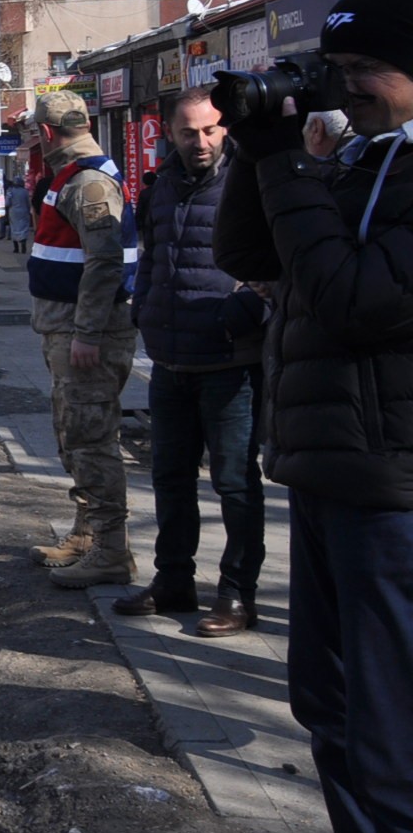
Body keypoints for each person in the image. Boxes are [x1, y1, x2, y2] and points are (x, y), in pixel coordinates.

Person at [214, 0, 413, 833]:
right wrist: (262, 154)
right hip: (332, 476)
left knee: (391, 741)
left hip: (395, 496)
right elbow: (251, 255)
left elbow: (352, 301)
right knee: (328, 715)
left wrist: (290, 168)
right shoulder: (368, 161)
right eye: (335, 69)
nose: (347, 87)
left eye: (367, 68)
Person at [112, 89, 267, 636]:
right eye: (187, 132)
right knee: (170, 479)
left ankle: (236, 595)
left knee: (234, 484)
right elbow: (152, 257)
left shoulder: (251, 180)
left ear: (224, 129)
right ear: (169, 134)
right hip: (170, 361)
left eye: (209, 130)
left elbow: (279, 263)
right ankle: (173, 580)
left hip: (231, 363)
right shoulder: (161, 187)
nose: (199, 142)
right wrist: (145, 311)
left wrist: (244, 310)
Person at [25, 91, 139, 590]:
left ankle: (112, 551)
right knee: (76, 436)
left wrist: (88, 333)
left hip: (85, 335)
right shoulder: (70, 178)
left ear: (47, 134)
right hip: (69, 331)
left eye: (34, 132)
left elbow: (105, 260)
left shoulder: (89, 183)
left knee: (91, 440)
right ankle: (87, 535)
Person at [5, 176, 32, 253]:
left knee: (14, 228)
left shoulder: (10, 191)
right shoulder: (25, 191)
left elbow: (7, 203)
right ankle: (23, 244)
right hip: (24, 211)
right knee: (24, 227)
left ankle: (16, 248)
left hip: (13, 211)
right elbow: (28, 203)